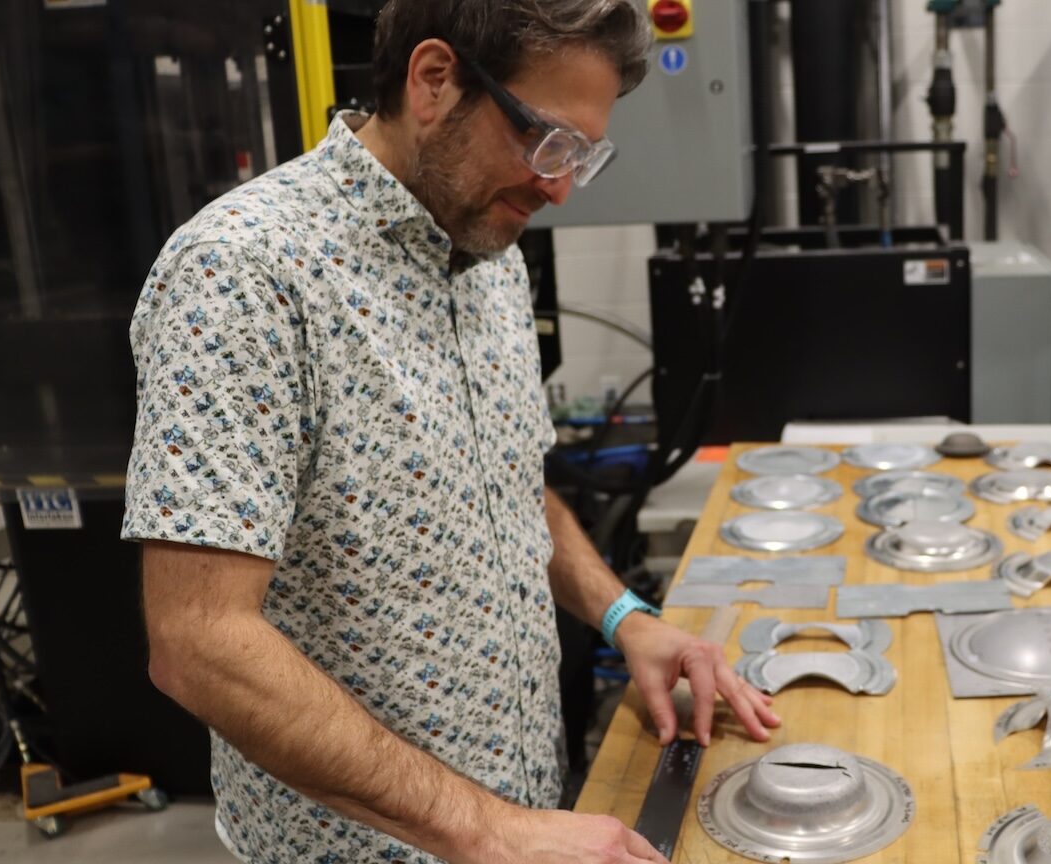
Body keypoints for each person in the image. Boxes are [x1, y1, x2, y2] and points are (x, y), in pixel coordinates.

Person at [122, 2, 779, 861]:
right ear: (434, 81)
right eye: (548, 141)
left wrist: (625, 616)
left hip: (526, 827)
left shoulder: (489, 254)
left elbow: (505, 484)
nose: (559, 185)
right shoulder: (245, 273)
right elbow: (199, 642)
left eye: (583, 154)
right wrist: (487, 831)